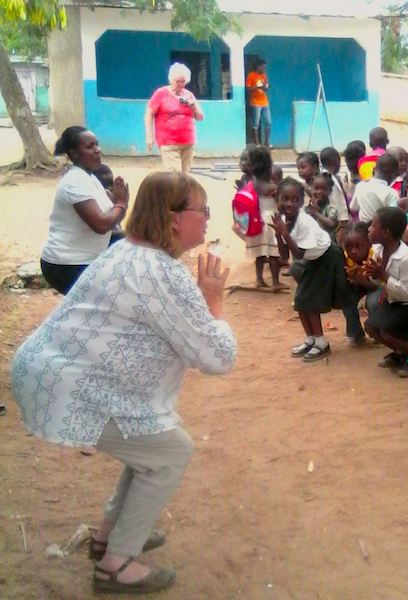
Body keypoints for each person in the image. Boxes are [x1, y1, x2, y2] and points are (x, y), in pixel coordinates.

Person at [11, 172, 236, 594]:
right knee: (170, 452)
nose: (208, 219)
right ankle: (115, 564)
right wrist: (214, 301)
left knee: (150, 442)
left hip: (61, 375)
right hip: (71, 387)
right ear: (173, 219)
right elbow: (217, 356)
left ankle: (107, 538)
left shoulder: (130, 252)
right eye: (201, 210)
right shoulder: (159, 272)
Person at [271, 178, 352, 362]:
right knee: (301, 301)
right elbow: (284, 255)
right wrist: (278, 234)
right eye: (285, 199)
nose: (289, 203)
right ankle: (311, 339)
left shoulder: (304, 222)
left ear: (301, 202)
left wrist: (284, 233)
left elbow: (298, 255)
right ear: (277, 199)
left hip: (327, 258)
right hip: (313, 259)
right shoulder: (282, 220)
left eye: (295, 199)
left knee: (308, 301)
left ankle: (321, 343)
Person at [40, 126, 129, 295]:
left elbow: (113, 219)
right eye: (90, 147)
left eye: (97, 145)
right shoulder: (75, 182)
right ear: (74, 153)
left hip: (87, 259)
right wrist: (121, 203)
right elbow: (102, 225)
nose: (98, 150)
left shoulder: (90, 177)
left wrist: (119, 203)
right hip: (68, 264)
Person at [363, 207, 408, 377]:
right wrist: (372, 275)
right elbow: (376, 281)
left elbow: (405, 293)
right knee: (371, 327)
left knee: (387, 334)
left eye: (373, 225)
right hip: (396, 300)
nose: (369, 229)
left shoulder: (406, 258)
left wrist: (382, 275)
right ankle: (400, 354)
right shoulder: (377, 250)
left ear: (386, 233)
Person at [232, 145, 286, 290]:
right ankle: (275, 282)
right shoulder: (270, 187)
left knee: (260, 254)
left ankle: (259, 279)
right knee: (274, 253)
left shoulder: (249, 183)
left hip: (255, 221)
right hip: (270, 221)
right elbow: (279, 205)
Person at [145, 62, 204, 174]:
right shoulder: (161, 93)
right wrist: (149, 136)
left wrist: (193, 106)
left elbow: (200, 117)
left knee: (185, 177)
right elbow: (149, 114)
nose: (181, 85)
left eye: (183, 82)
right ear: (171, 80)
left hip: (188, 143)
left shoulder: (188, 94)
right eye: (178, 82)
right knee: (174, 176)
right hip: (169, 143)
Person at [342, 221, 376, 346]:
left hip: (376, 286)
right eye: (349, 247)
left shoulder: (375, 257)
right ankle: (355, 333)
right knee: (346, 300)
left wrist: (363, 281)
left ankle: (378, 331)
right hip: (358, 284)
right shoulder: (345, 258)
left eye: (358, 246)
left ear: (368, 244)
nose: (353, 251)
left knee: (372, 303)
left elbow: (380, 285)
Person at [350, 153, 399, 224]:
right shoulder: (392, 193)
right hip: (381, 232)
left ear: (374, 169)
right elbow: (393, 217)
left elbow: (353, 208)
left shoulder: (360, 186)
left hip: (362, 231)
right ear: (395, 175)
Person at [320, 147, 350, 224]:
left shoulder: (323, 177)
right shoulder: (331, 179)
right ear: (336, 161)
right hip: (337, 218)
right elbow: (339, 201)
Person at [307, 172, 339, 242]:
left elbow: (332, 224)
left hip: (328, 246)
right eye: (316, 188)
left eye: (324, 189)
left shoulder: (331, 208)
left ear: (330, 191)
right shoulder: (308, 208)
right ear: (311, 189)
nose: (319, 192)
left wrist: (317, 214)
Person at [245, 59, 271, 146]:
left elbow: (267, 87)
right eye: (263, 67)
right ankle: (257, 144)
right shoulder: (251, 75)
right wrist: (257, 86)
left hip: (264, 101)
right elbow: (248, 89)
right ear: (258, 67)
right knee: (256, 123)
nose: (264, 69)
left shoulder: (264, 76)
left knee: (268, 122)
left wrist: (265, 87)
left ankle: (267, 142)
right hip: (255, 102)